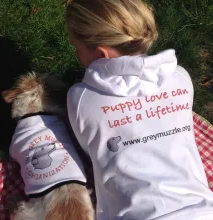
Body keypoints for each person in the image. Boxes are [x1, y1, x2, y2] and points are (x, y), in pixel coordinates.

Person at [65, 0, 213, 219]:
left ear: (101, 54)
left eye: (76, 48)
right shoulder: (180, 77)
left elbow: (91, 150)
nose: (76, 54)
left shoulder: (80, 98)